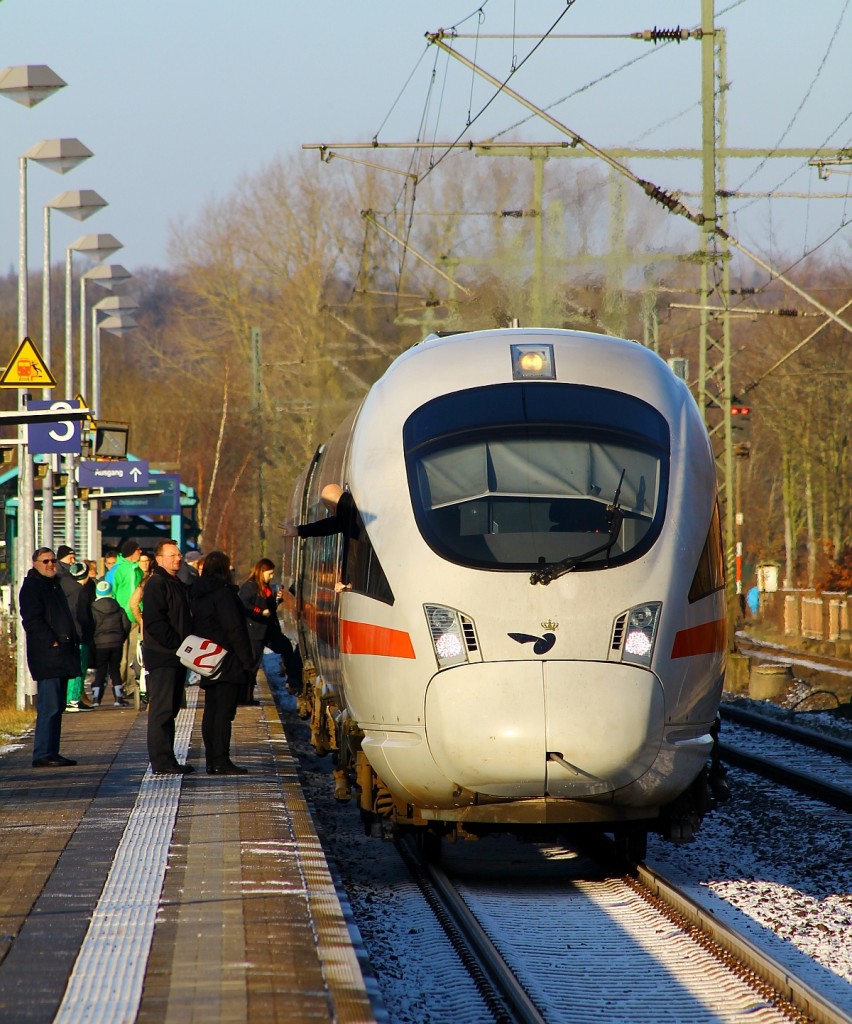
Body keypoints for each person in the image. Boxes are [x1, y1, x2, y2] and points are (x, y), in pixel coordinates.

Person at [189, 550, 254, 774]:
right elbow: (235, 629)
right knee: (224, 713)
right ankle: (221, 761)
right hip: (227, 660)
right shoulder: (224, 595)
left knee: (212, 710)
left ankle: (211, 760)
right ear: (225, 569)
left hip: (208, 659)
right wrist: (248, 661)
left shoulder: (198, 593)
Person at [19, 547, 81, 768]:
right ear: (35, 563)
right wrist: (52, 640)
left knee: (57, 706)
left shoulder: (54, 585)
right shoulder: (33, 587)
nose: (50, 564)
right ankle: (43, 752)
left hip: (60, 655)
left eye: (53, 561)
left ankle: (51, 751)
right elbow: (32, 620)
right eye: (45, 561)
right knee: (49, 706)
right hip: (48, 656)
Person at [141, 539, 193, 774]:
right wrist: (177, 644)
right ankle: (162, 762)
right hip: (164, 656)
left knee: (171, 709)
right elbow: (154, 621)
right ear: (159, 559)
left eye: (179, 555)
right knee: (162, 710)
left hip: (175, 656)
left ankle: (168, 759)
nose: (178, 558)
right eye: (172, 555)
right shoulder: (157, 584)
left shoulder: (175, 582)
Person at [237, 558, 278, 705]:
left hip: (262, 631)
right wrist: (260, 612)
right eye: (270, 573)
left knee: (254, 665)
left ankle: (248, 696)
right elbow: (244, 605)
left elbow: (271, 609)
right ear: (262, 571)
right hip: (252, 631)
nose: (271, 577)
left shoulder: (265, 588)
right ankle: (245, 696)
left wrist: (276, 601)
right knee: (250, 664)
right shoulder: (250, 587)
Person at [110, 539, 144, 696]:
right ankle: (119, 684)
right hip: (120, 617)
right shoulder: (117, 570)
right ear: (131, 552)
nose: (141, 552)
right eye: (138, 550)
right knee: (121, 655)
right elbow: (112, 592)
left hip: (136, 617)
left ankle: (131, 685)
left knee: (134, 654)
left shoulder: (138, 571)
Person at [59, 561, 94, 712]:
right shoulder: (80, 592)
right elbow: (82, 616)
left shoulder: (61, 586)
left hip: (64, 634)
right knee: (79, 668)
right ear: (85, 576)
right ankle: (73, 699)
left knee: (68, 667)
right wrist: (87, 631)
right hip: (79, 635)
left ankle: (70, 699)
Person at [91, 579, 130, 706]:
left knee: (100, 671)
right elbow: (126, 625)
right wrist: (121, 638)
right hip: (116, 643)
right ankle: (118, 698)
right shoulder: (118, 607)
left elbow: (90, 626)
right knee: (115, 669)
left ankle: (96, 699)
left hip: (100, 644)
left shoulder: (93, 609)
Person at [128, 553, 155, 703]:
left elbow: (133, 603)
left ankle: (145, 690)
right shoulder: (168, 582)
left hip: (146, 628)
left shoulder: (144, 584)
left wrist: (140, 619)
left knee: (145, 662)